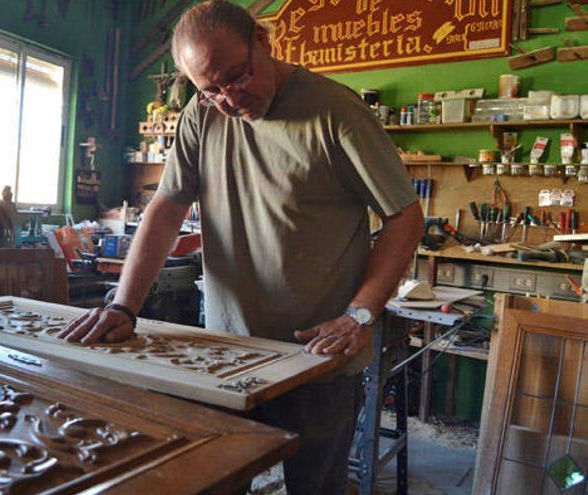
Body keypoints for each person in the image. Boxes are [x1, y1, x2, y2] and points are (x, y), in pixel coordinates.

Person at [58, 1, 424, 493]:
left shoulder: (336, 111)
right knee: (215, 481)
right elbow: (166, 209)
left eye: (237, 76)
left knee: (315, 487)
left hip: (315, 359)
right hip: (227, 354)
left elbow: (405, 216)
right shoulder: (199, 115)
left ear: (262, 40)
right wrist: (125, 305)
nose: (230, 99)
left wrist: (360, 315)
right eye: (211, 90)